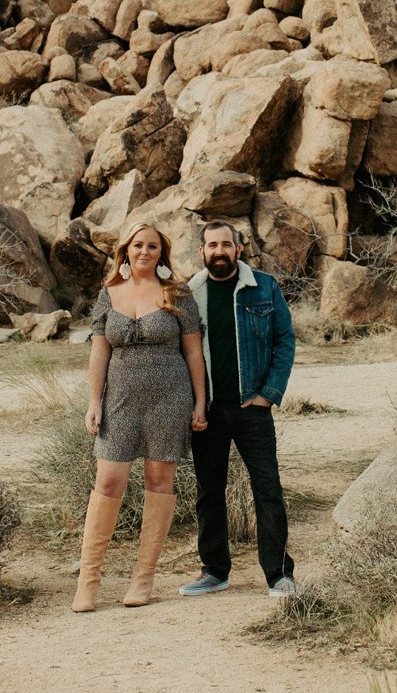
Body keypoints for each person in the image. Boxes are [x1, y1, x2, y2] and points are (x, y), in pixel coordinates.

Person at [71, 222, 207, 612]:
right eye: (137, 245)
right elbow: (99, 352)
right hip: (119, 401)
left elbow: (194, 353)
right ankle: (89, 581)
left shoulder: (177, 294)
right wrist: (93, 402)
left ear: (161, 253)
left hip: (169, 398)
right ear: (125, 251)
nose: (144, 252)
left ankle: (143, 578)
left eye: (152, 246)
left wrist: (200, 403)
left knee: (159, 481)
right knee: (108, 482)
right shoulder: (108, 295)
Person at [181, 220, 298, 598]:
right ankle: (215, 571)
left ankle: (278, 575)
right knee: (208, 491)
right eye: (212, 245)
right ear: (202, 252)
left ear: (238, 249)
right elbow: (179, 352)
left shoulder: (264, 286)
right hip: (208, 410)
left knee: (267, 489)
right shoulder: (190, 293)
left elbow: (285, 340)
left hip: (253, 409)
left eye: (225, 244)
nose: (219, 251)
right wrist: (191, 404)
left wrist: (269, 392)